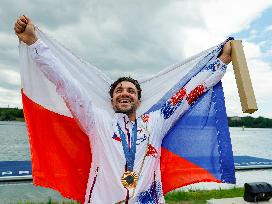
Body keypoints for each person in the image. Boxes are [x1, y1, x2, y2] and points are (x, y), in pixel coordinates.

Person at [14, 15, 231, 204]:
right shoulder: (96, 120)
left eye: (130, 91)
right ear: (111, 101)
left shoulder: (156, 121)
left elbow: (187, 95)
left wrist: (222, 62)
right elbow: (65, 84)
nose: (124, 93)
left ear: (138, 100)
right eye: (118, 90)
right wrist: (34, 43)